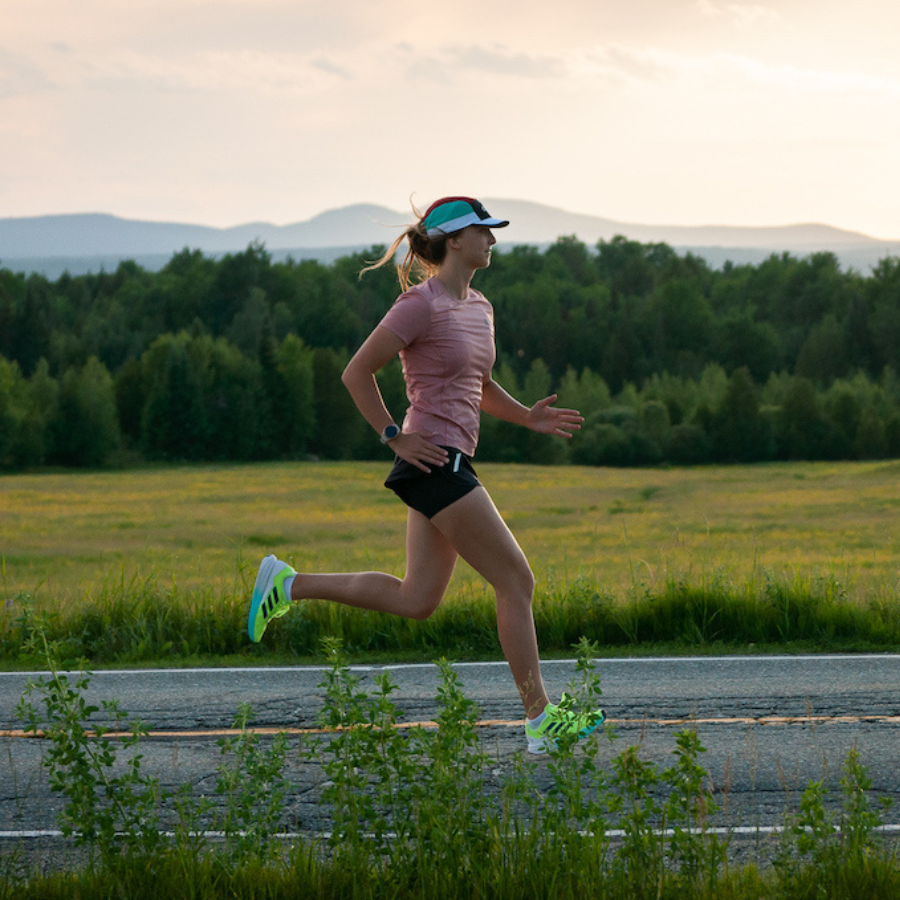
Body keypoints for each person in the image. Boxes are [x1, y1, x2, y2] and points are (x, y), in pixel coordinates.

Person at [247, 196, 604, 753]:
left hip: (449, 461)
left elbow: (479, 385)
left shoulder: (480, 307)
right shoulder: (420, 304)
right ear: (454, 240)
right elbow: (356, 372)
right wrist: (393, 434)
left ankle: (287, 584)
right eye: (482, 231)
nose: (492, 239)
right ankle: (540, 718)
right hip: (434, 460)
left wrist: (526, 416)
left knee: (417, 599)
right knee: (516, 580)